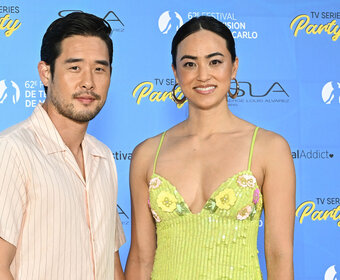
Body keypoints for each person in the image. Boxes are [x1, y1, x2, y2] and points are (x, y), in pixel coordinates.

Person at [125, 16, 295, 279]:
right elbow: (140, 258)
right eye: (190, 64)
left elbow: (279, 255)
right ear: (175, 72)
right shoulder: (146, 154)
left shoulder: (269, 148)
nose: (203, 75)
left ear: (234, 66)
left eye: (215, 62)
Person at [0, 12, 125, 280]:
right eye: (74, 67)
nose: (88, 81)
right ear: (45, 72)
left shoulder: (103, 157)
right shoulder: (8, 152)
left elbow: (110, 264)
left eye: (100, 68)